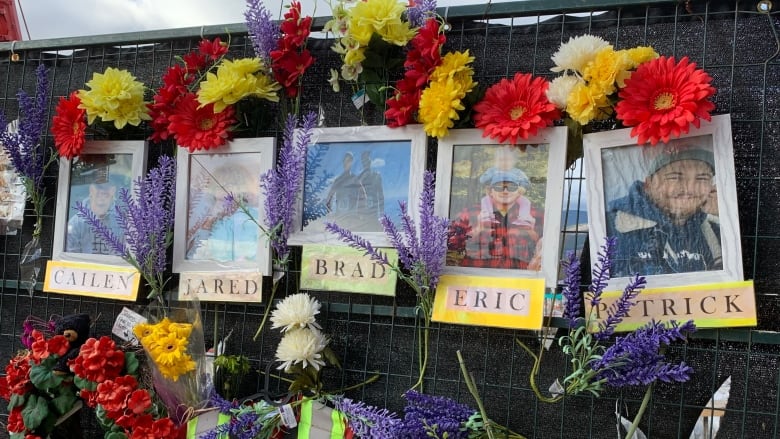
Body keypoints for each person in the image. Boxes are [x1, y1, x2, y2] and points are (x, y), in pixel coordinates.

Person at [606, 146, 721, 277]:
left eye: (702, 178)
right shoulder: (608, 229)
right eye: (675, 177)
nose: (690, 189)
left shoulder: (718, 231)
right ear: (648, 185)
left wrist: (728, 218)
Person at [459, 170, 540, 269]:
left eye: (511, 187)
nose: (505, 191)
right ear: (490, 191)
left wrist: (530, 231)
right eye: (498, 187)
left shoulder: (535, 215)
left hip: (519, 278)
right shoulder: (470, 212)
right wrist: (478, 229)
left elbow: (544, 248)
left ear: (519, 192)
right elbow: (454, 247)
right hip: (476, 277)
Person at [66, 168, 124, 255]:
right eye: (99, 187)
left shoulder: (122, 222)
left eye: (106, 187)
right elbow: (71, 256)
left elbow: (125, 255)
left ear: (113, 191)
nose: (102, 191)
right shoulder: (76, 223)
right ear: (91, 189)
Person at [356, 150, 384, 230]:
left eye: (368, 160)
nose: (366, 163)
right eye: (364, 161)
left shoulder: (376, 176)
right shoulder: (359, 178)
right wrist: (358, 214)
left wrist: (382, 214)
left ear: (370, 161)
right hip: (363, 215)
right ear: (362, 162)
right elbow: (357, 199)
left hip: (374, 214)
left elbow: (381, 196)